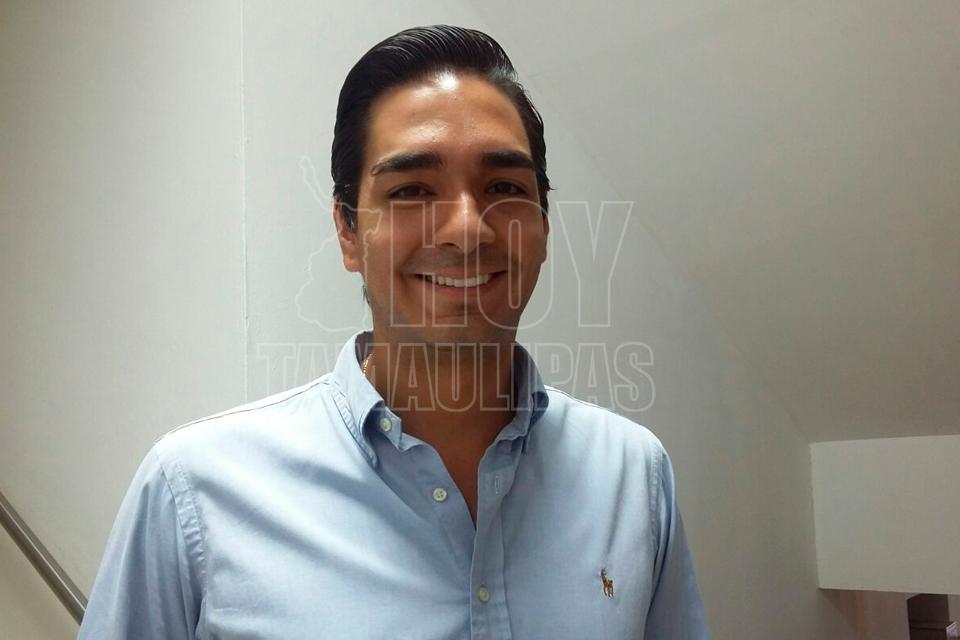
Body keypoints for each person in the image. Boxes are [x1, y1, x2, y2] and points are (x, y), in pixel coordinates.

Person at [79, 25, 709, 639]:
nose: (467, 230)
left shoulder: (633, 475)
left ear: (543, 225)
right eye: (411, 190)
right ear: (348, 231)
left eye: (502, 187)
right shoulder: (194, 494)